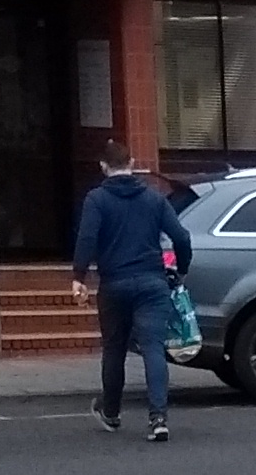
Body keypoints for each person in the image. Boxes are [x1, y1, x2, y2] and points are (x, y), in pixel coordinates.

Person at [68, 159, 191, 437]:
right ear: (132, 164)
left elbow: (87, 238)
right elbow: (181, 237)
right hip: (152, 283)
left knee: (114, 349)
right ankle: (158, 419)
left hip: (114, 285)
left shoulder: (97, 199)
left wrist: (79, 277)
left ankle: (111, 413)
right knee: (153, 349)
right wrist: (181, 269)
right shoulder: (154, 198)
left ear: (103, 166)